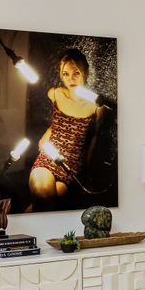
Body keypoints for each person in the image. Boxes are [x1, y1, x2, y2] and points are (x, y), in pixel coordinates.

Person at [29, 48, 106, 205]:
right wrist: (48, 132)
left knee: (49, 202)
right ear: (61, 75)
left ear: (85, 72)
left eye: (76, 73)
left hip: (71, 166)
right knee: (43, 194)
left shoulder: (97, 106)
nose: (71, 79)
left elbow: (95, 137)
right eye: (66, 74)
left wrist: (88, 169)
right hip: (49, 157)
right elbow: (57, 122)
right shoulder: (55, 94)